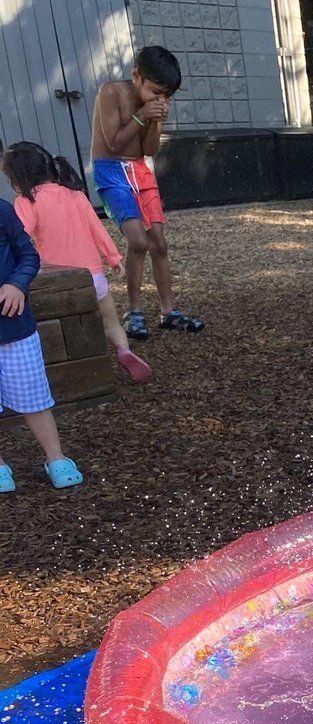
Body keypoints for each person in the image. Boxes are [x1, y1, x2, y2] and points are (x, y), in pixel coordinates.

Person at [4, 142, 150, 384]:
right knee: (111, 322)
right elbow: (97, 229)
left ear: (18, 178)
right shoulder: (76, 195)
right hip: (94, 277)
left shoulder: (27, 201)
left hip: (60, 281)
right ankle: (124, 350)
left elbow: (20, 235)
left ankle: (64, 368)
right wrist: (113, 258)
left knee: (51, 319)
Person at [91, 45, 203, 343]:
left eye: (166, 96)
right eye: (155, 91)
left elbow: (150, 149)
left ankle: (168, 311)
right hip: (111, 171)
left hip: (140, 170)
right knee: (138, 241)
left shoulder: (154, 105)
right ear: (136, 76)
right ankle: (134, 311)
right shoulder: (111, 93)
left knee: (159, 243)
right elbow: (114, 143)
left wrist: (154, 120)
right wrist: (143, 115)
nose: (160, 99)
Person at [0, 196, 81, 492]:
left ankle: (56, 458)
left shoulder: (2, 210)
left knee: (33, 398)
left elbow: (28, 256)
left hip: (14, 329)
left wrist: (17, 284)